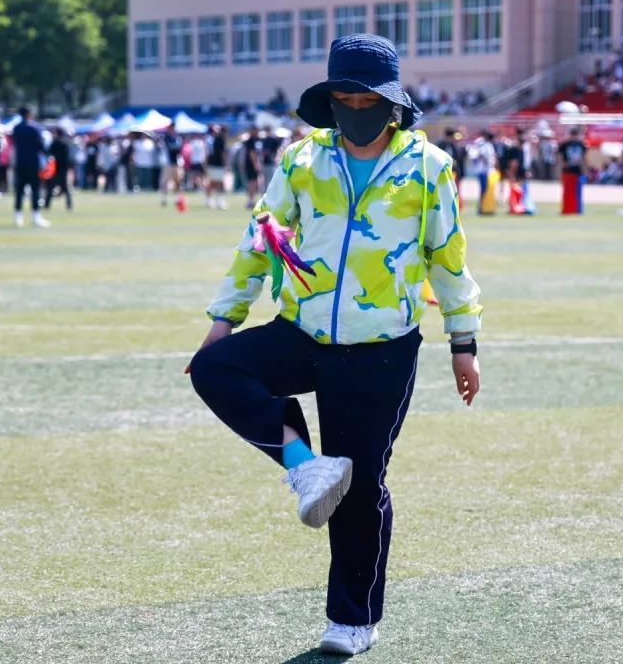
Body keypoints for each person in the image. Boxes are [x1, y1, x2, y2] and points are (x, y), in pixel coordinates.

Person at [187, 34, 482, 657]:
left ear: (392, 104)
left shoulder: (428, 167)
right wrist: (224, 319)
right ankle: (305, 466)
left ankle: (353, 619)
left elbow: (447, 255)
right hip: (303, 330)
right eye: (344, 99)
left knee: (362, 484)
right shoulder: (302, 159)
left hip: (381, 349)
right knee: (215, 369)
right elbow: (261, 238)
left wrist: (464, 340)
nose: (355, 110)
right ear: (329, 102)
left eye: (367, 100)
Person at [11, 107, 51, 228]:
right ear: (28, 114)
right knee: (35, 190)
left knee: (19, 191)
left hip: (20, 162)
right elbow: (41, 145)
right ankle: (36, 216)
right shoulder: (35, 128)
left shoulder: (16, 128)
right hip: (33, 163)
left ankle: (18, 217)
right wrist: (47, 156)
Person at [559, 127, 586, 215]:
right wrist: (563, 164)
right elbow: (560, 156)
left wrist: (584, 168)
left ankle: (576, 209)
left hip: (577, 171)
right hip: (567, 171)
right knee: (567, 192)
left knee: (577, 192)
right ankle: (567, 209)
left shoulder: (581, 145)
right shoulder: (565, 145)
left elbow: (584, 158)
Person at [46, 127, 73, 211]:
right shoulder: (65, 143)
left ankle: (47, 204)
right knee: (65, 188)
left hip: (56, 168)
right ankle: (69, 205)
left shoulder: (55, 143)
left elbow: (49, 153)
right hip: (63, 169)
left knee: (51, 187)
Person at [205, 125, 228, 209]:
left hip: (212, 164)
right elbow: (223, 154)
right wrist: (225, 164)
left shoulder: (215, 139)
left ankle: (210, 200)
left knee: (213, 182)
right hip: (217, 164)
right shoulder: (220, 139)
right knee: (218, 183)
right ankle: (218, 201)